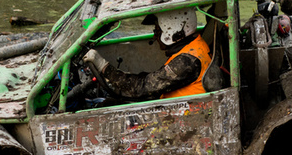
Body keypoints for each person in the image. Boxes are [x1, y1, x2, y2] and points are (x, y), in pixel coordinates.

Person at [81, 8, 212, 101]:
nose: (155, 36)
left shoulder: (186, 62)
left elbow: (141, 88)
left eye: (158, 30)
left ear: (174, 30)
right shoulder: (194, 47)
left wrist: (104, 67)